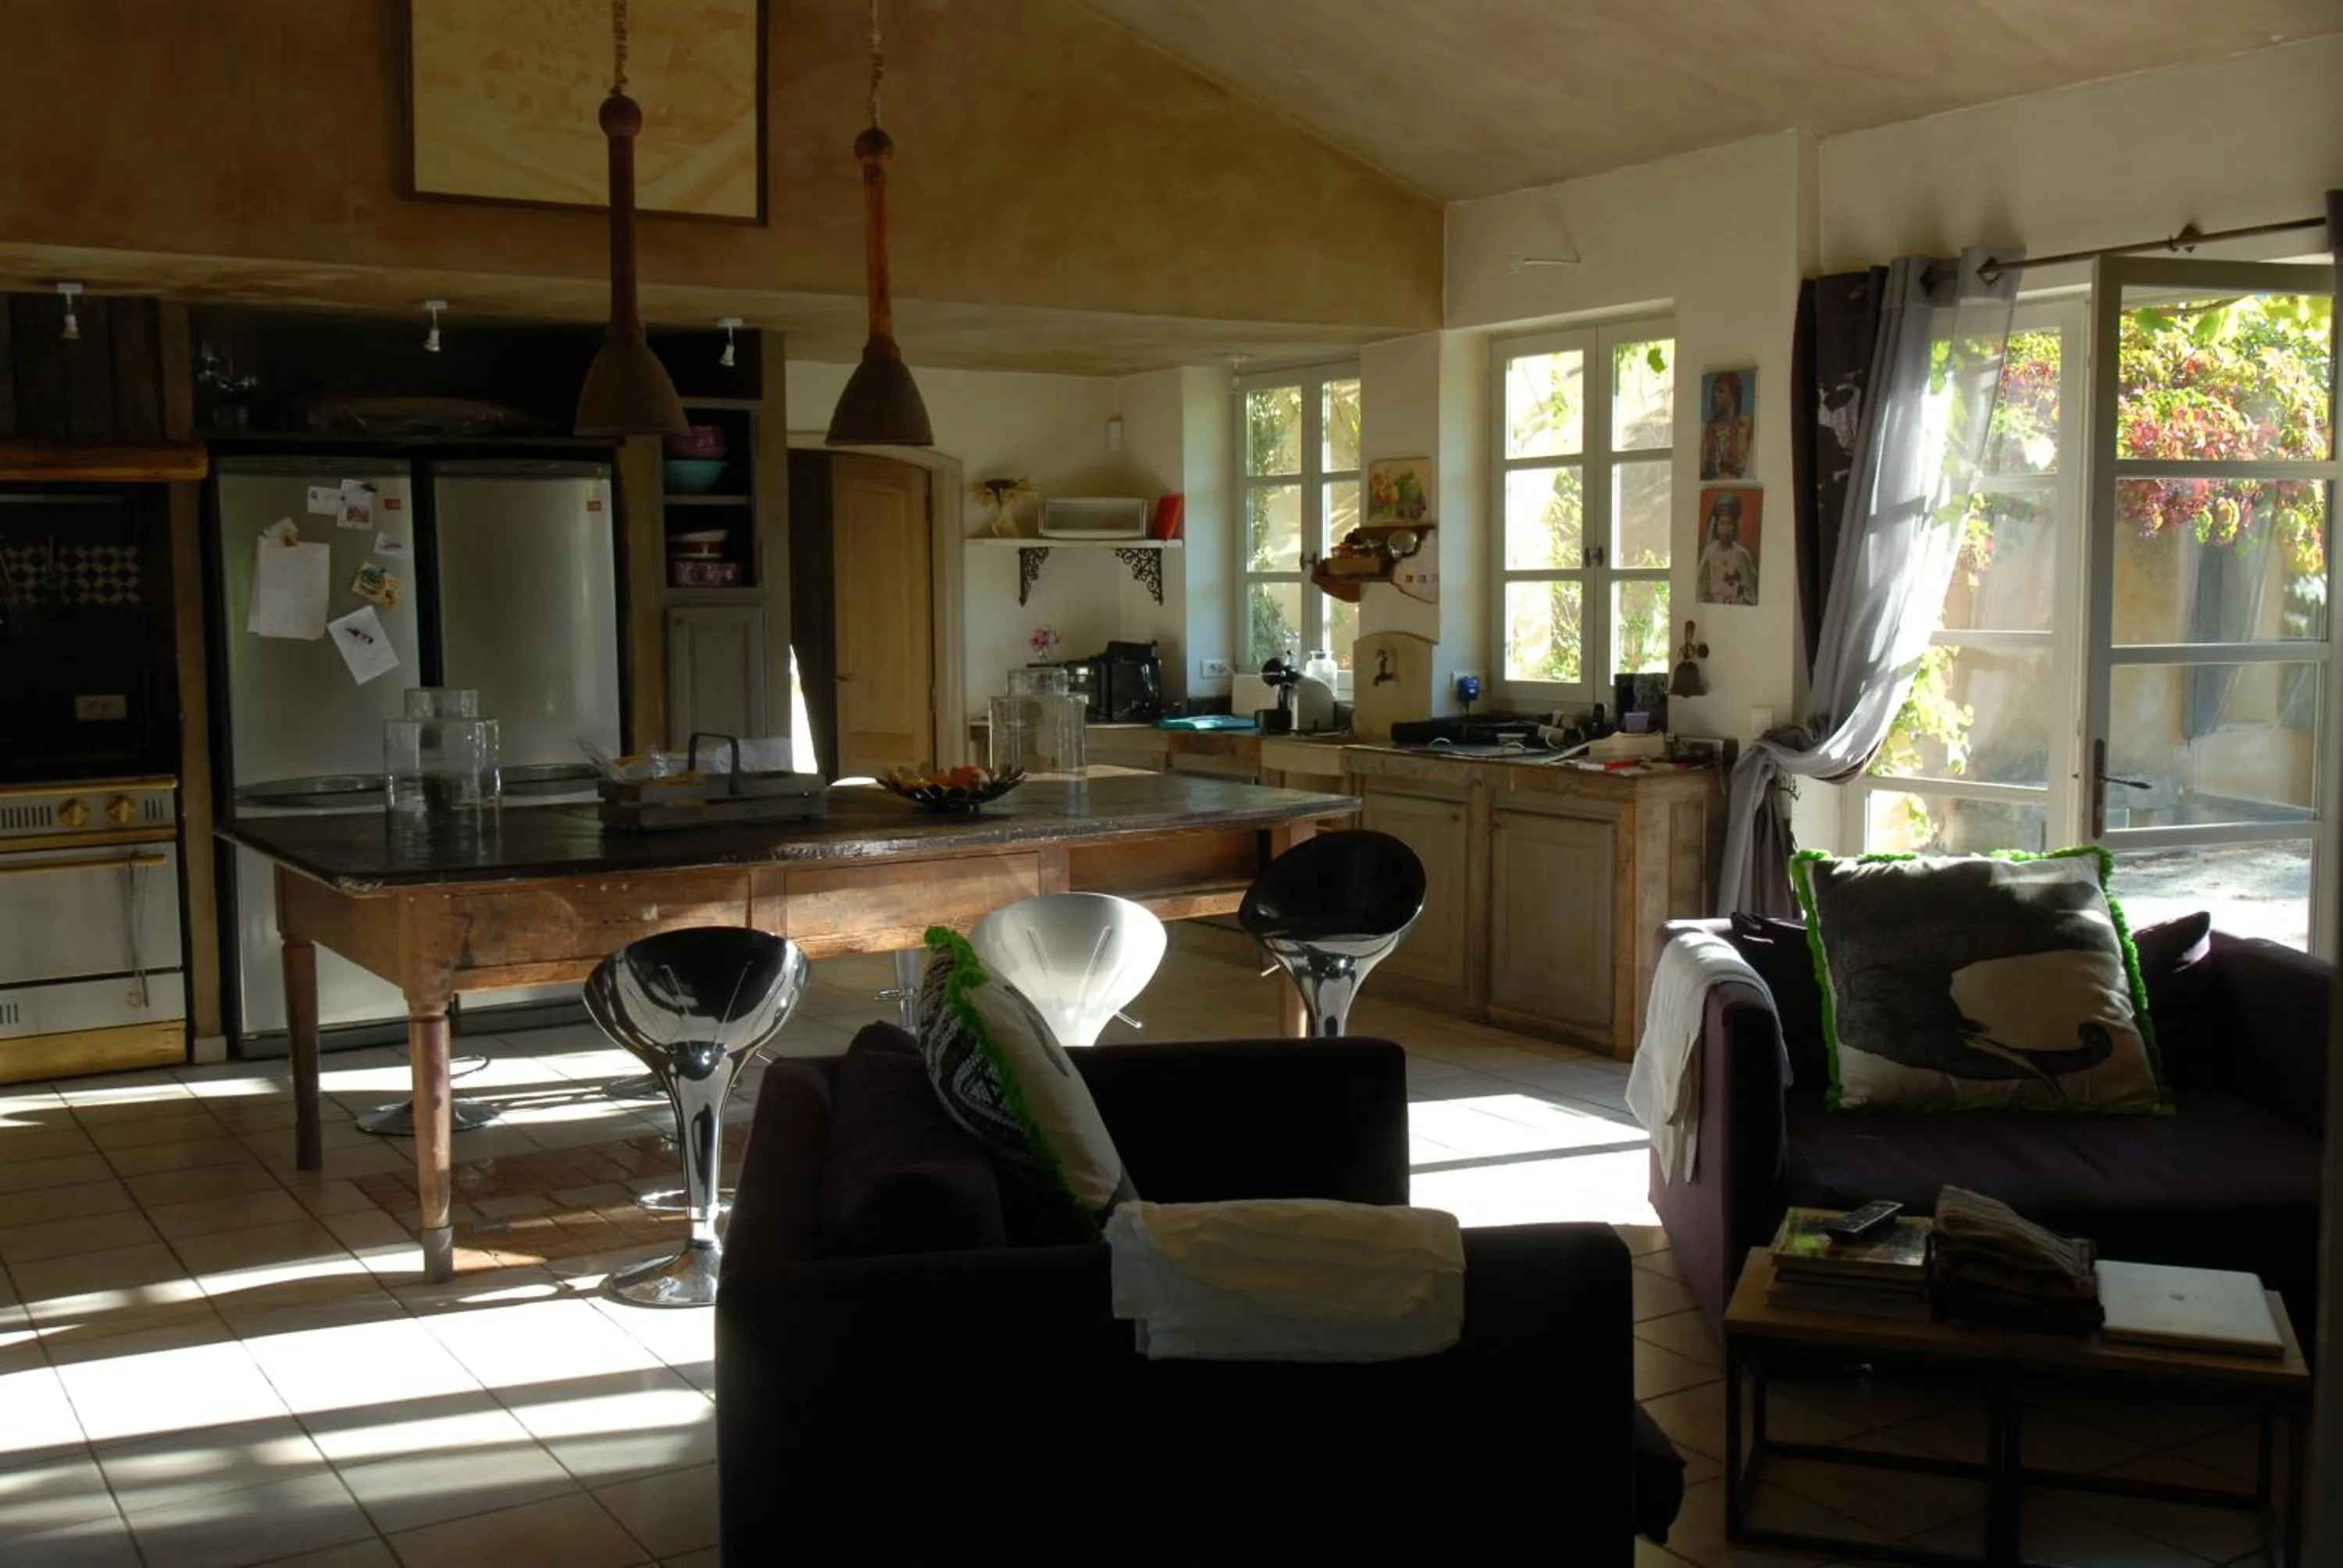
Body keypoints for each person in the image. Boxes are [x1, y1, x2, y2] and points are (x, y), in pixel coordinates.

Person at [1696, 492, 1758, 606]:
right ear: (1716, 526)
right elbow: (1701, 588)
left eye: (1730, 523)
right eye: (1722, 524)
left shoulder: (1741, 554)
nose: (1726, 529)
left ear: (1735, 526)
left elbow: (1749, 594)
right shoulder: (1710, 553)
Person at [1701, 371, 1753, 479]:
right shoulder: (1707, 428)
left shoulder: (1746, 426)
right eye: (1714, 391)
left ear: (1733, 396)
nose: (1715, 395)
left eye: (1721, 391)